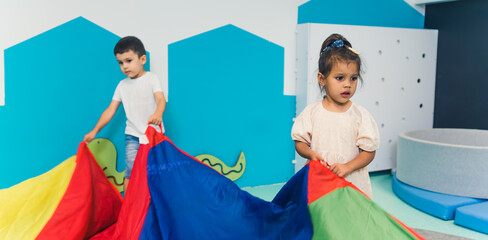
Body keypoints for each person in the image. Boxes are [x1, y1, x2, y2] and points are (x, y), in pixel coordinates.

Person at [291, 33, 380, 198]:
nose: (348, 84)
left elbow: (369, 152)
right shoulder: (312, 112)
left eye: (353, 78)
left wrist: (348, 166)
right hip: (320, 180)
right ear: (322, 79)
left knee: (350, 217)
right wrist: (310, 154)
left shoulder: (360, 115)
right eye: (340, 78)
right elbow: (300, 142)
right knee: (321, 216)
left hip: (352, 182)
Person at [83, 36, 166, 193]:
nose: (125, 66)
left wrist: (158, 113)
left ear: (142, 59)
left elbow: (161, 100)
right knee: (131, 172)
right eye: (120, 62)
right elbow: (110, 110)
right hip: (133, 135)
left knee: (156, 171)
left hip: (154, 134)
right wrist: (94, 131)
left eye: (128, 61)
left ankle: (154, 206)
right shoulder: (122, 85)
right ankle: (127, 208)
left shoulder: (151, 79)